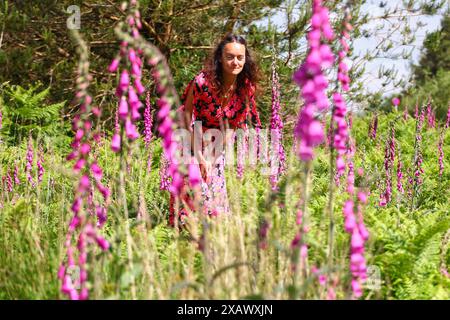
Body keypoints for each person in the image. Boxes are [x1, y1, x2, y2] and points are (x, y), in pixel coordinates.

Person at [168, 33, 262, 226]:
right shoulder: (202, 82)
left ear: (245, 59)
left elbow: (233, 126)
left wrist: (211, 156)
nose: (235, 62)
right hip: (189, 138)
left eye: (240, 57)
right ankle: (183, 238)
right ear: (220, 57)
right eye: (230, 56)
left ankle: (212, 241)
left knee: (215, 197)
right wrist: (200, 157)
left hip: (216, 144)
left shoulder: (246, 89)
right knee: (195, 190)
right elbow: (186, 118)